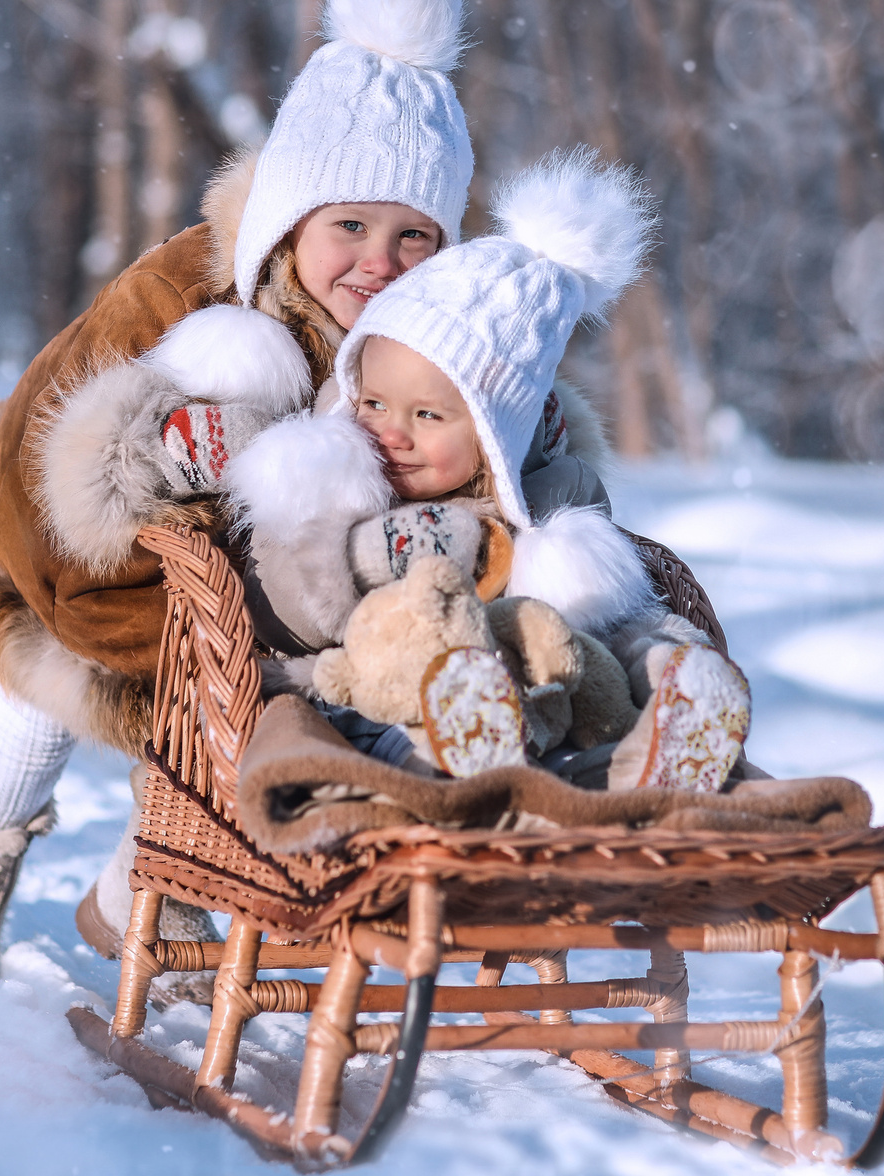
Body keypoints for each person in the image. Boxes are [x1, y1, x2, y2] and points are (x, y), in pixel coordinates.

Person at [0, 0, 581, 978]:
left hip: (290, 596)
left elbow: (484, 413)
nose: (378, 263)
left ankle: (150, 885)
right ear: (289, 218)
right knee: (45, 692)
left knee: (275, 715)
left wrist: (530, 448)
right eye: (349, 225)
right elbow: (62, 455)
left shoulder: (423, 334)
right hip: (84, 550)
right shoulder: (188, 294)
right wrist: (169, 469)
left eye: (415, 239)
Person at [234, 148, 749, 791]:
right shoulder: (335, 480)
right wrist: (374, 555)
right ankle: (469, 754)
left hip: (531, 704)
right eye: (372, 403)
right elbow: (278, 596)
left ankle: (674, 723)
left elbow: (605, 617)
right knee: (401, 691)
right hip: (368, 701)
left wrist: (659, 649)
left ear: (493, 435)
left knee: (626, 644)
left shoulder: (549, 500)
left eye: (427, 415)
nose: (390, 432)